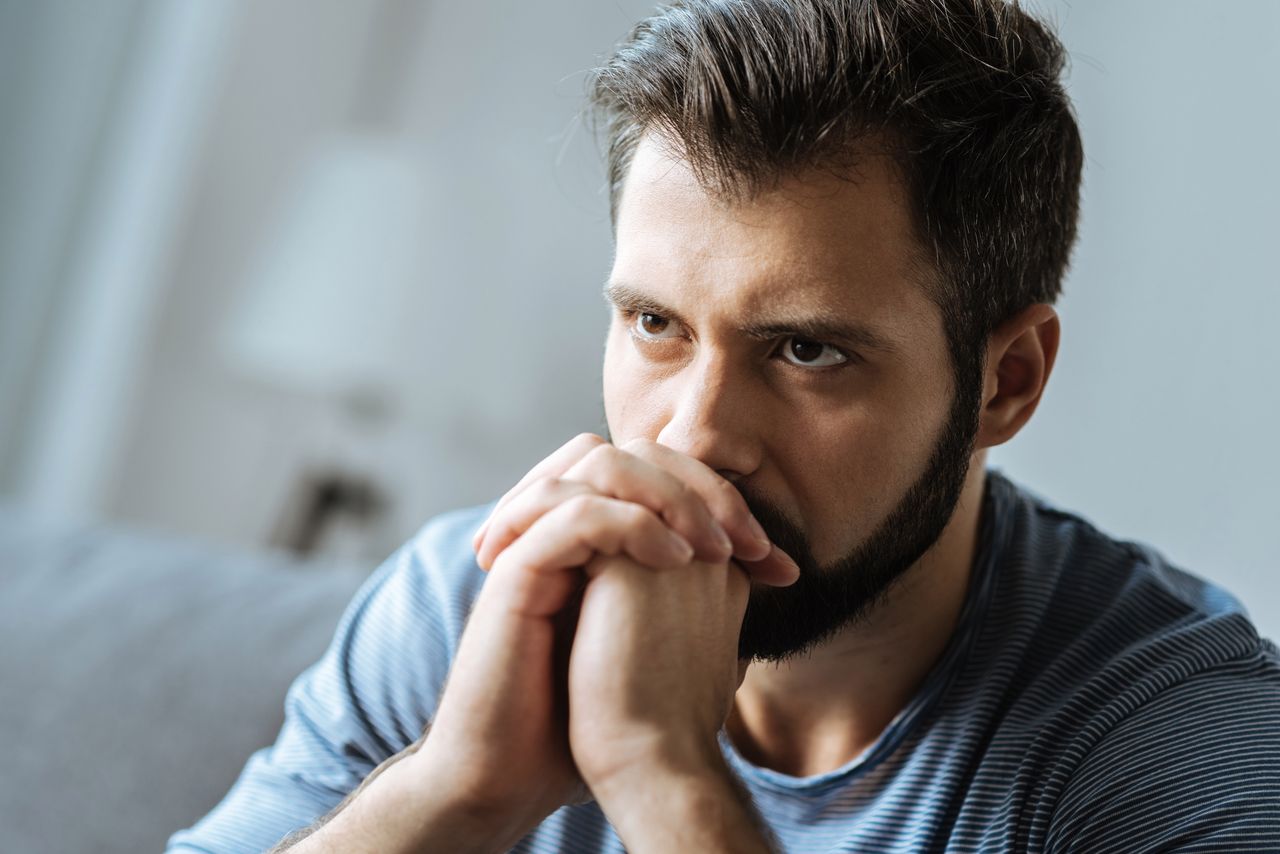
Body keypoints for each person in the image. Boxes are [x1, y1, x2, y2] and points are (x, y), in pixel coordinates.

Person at [167, 1, 1280, 851]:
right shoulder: (471, 607)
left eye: (805, 350)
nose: (696, 436)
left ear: (1005, 381)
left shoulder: (1179, 740)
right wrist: (456, 785)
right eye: (654, 323)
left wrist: (659, 775)